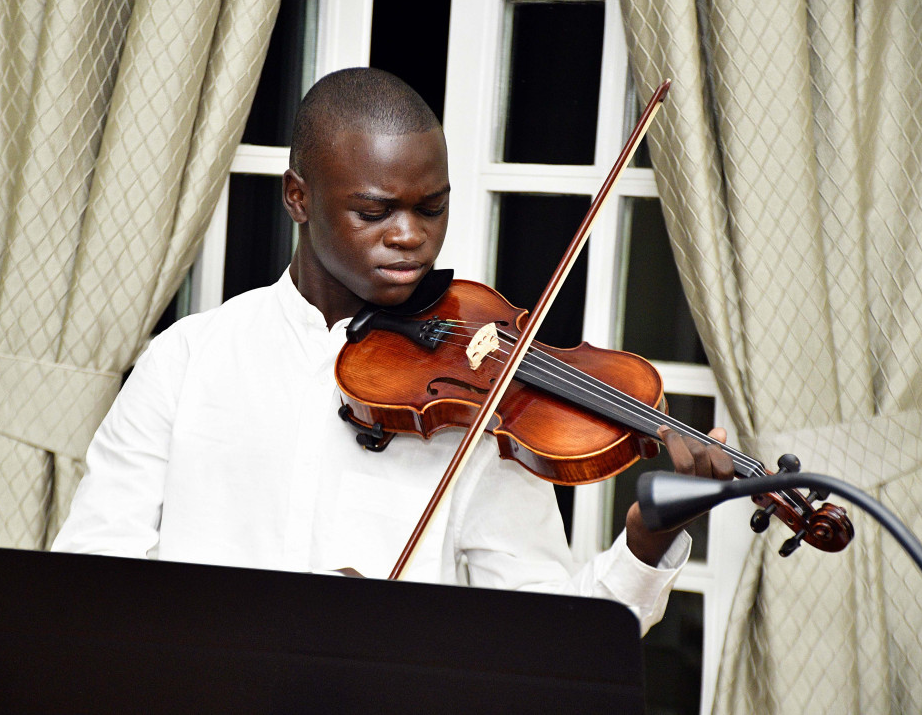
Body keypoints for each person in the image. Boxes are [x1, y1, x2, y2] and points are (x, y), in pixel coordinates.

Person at [52, 67, 734, 634]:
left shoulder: (481, 398)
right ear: (298, 197)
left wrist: (644, 545)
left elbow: (551, 639)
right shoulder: (187, 360)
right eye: (374, 212)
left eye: (430, 208)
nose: (409, 236)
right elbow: (91, 575)